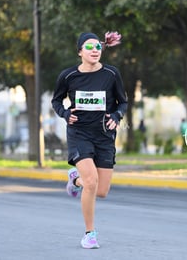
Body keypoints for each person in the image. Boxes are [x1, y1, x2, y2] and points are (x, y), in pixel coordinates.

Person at [51, 31, 127, 249]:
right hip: (79, 133)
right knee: (91, 183)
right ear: (80, 52)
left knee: (101, 191)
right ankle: (89, 233)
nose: (95, 51)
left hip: (104, 136)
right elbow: (56, 101)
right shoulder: (68, 76)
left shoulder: (112, 74)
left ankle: (75, 180)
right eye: (89, 47)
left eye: (98, 47)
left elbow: (123, 102)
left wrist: (116, 115)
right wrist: (65, 113)